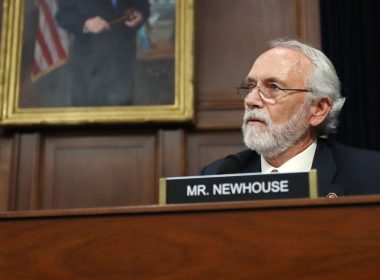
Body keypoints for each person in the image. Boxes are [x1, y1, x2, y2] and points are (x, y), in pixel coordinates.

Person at [201, 39, 380, 197]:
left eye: (274, 87)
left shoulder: (371, 175)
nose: (250, 100)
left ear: (318, 109)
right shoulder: (216, 176)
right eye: (251, 86)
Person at [55, 0, 150, 106]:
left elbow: (144, 6)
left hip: (123, 63)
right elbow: (63, 16)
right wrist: (86, 23)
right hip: (90, 65)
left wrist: (140, 15)